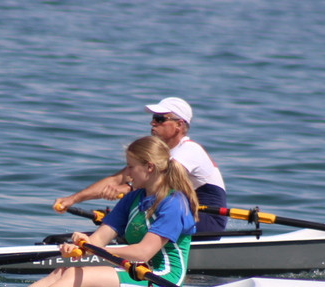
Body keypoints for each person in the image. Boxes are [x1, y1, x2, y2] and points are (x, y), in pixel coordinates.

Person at [26, 135, 198, 287]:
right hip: (137, 271)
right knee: (64, 270)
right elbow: (99, 239)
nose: (128, 174)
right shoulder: (133, 198)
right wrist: (79, 247)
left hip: (164, 279)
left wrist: (95, 251)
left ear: (149, 167)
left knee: (75, 274)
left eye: (131, 167)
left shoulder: (174, 203)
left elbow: (142, 254)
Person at [52, 97, 228, 234]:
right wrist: (72, 199)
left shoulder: (190, 150)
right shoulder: (159, 154)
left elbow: (164, 180)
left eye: (160, 119)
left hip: (205, 220)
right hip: (173, 213)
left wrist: (126, 188)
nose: (153, 123)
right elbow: (117, 179)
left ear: (179, 125)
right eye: (153, 118)